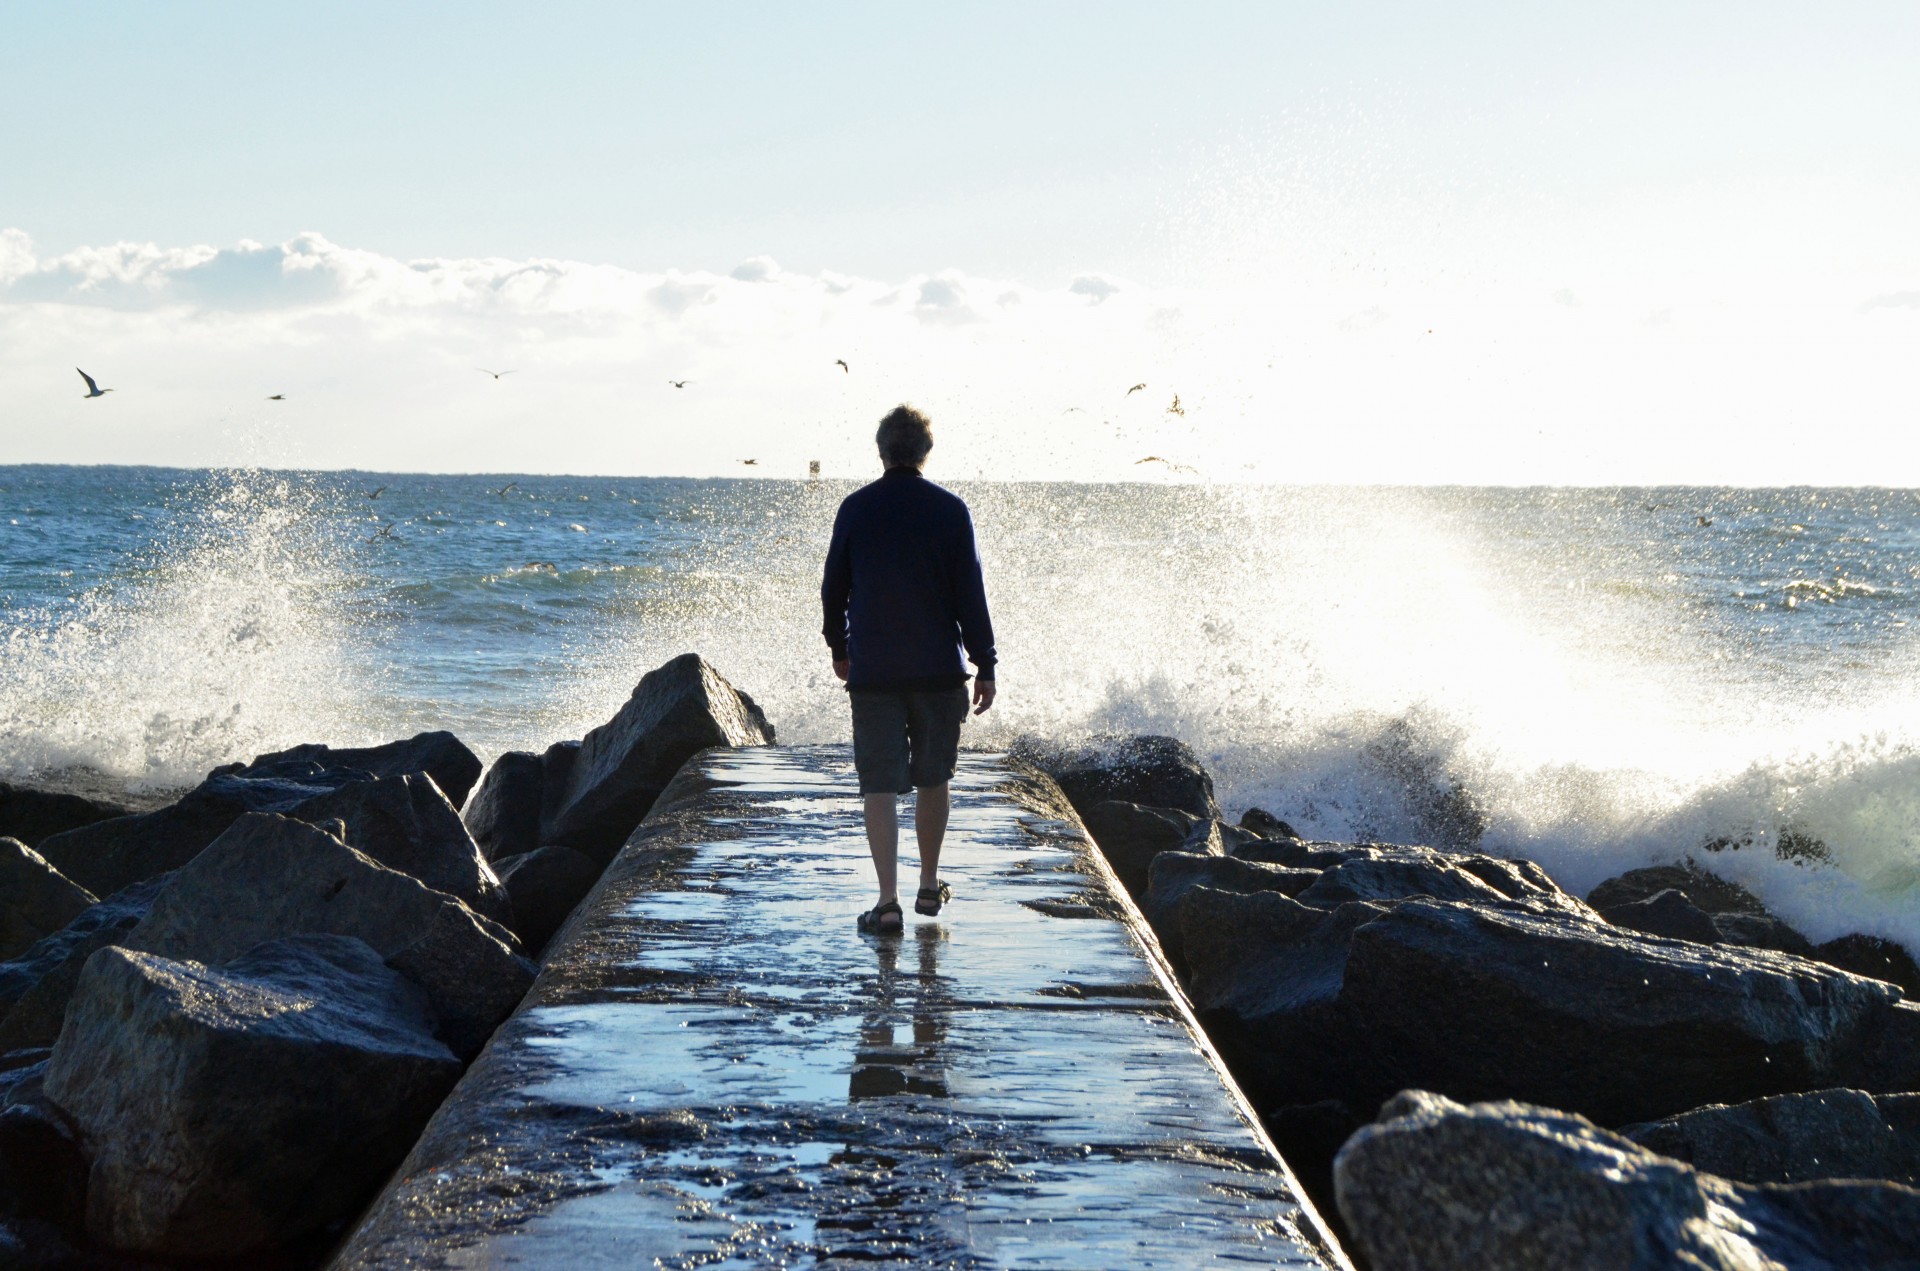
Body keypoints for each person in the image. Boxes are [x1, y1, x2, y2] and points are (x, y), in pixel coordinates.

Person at [821, 404, 997, 935]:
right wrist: (984, 661)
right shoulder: (949, 509)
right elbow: (971, 592)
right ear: (926, 451)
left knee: (878, 784)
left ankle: (887, 901)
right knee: (933, 778)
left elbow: (834, 588)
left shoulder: (855, 507)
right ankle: (929, 882)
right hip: (939, 670)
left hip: (874, 671)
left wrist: (839, 647)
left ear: (882, 451)